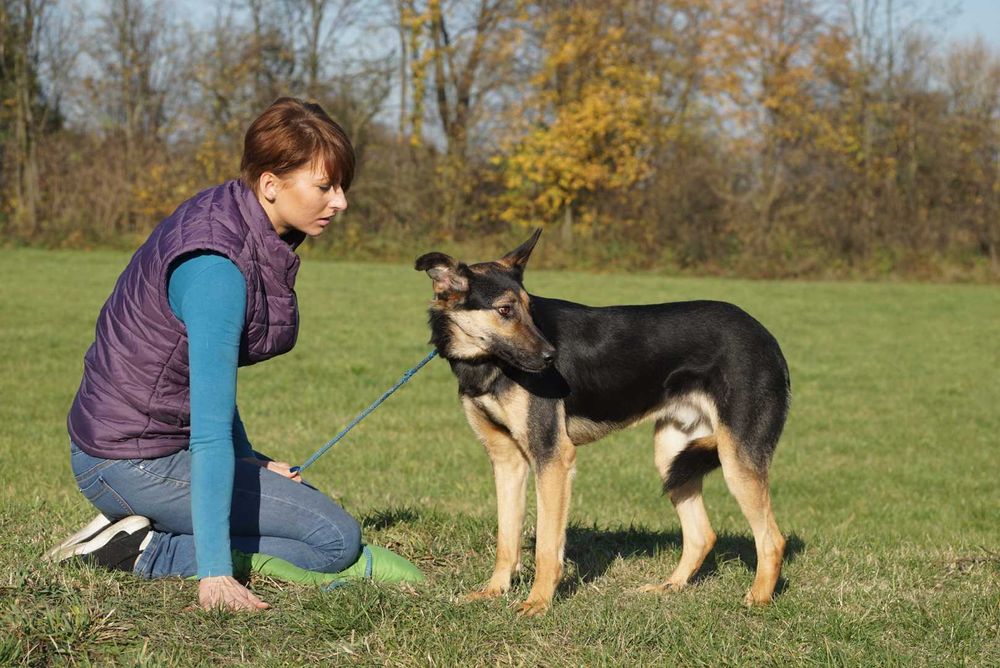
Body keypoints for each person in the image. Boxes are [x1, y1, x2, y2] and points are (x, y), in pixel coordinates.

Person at [47, 97, 422, 611]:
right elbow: (206, 432)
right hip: (128, 461)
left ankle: (146, 531)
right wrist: (216, 574)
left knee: (314, 520)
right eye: (325, 187)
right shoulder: (217, 269)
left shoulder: (230, 215)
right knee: (335, 540)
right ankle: (146, 551)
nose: (340, 202)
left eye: (342, 187)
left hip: (137, 445)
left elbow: (200, 377)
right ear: (271, 185)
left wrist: (252, 459)